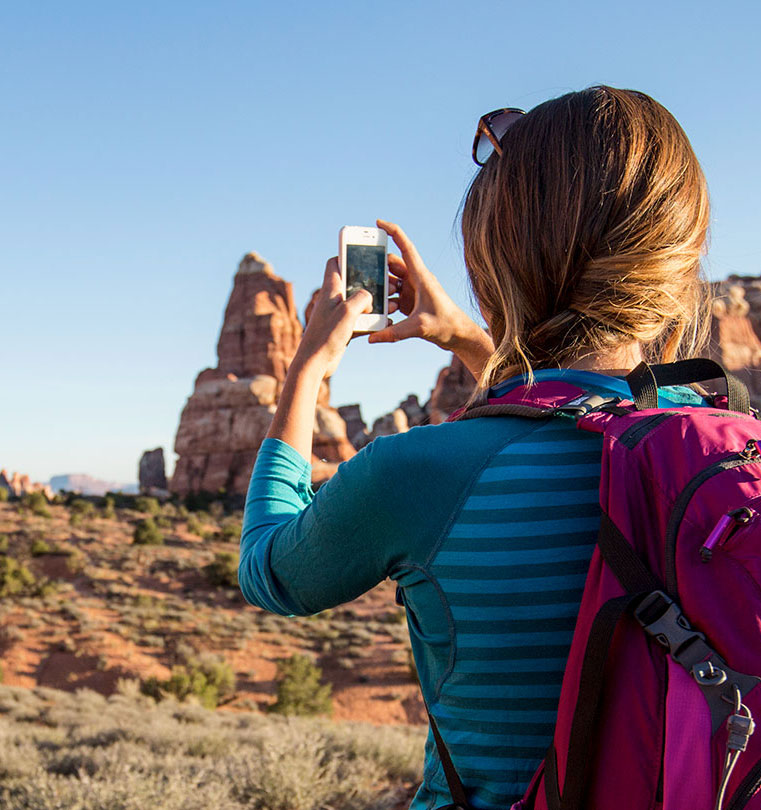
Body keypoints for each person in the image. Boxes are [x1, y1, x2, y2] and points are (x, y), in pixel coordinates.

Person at [239, 85, 711, 810]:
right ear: (677, 257)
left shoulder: (420, 473)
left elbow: (270, 569)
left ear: (494, 257)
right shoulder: (732, 451)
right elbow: (586, 413)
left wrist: (307, 368)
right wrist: (463, 336)